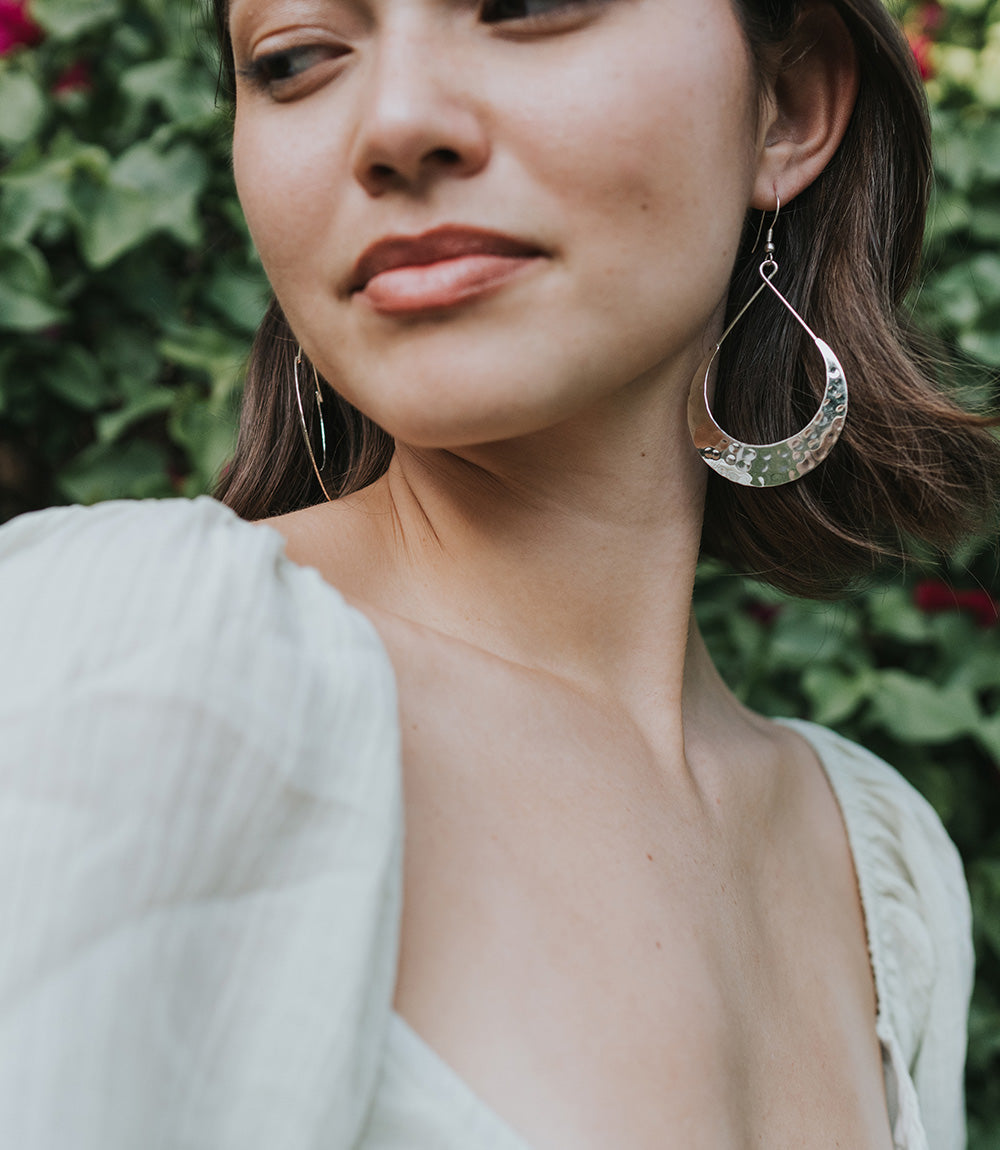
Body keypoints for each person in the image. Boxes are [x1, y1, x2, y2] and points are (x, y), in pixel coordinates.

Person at [0, 0, 996, 1146]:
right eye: (296, 58)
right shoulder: (139, 667)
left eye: (522, 5)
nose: (397, 122)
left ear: (788, 108)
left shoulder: (884, 871)